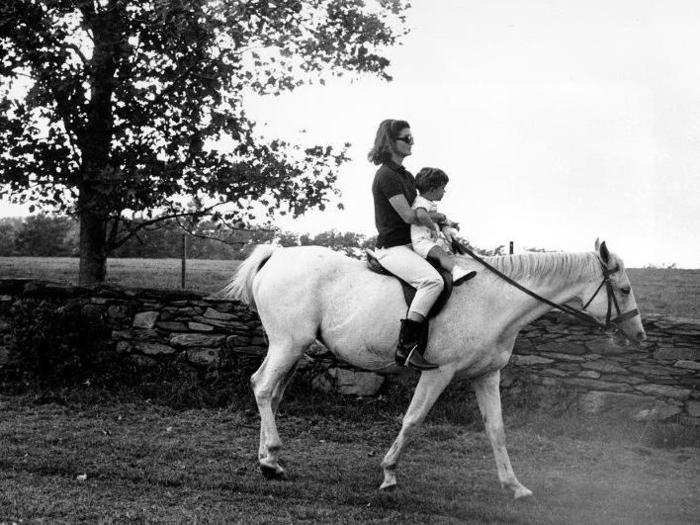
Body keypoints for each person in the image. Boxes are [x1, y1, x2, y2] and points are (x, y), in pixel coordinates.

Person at [368, 119, 444, 371]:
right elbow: (410, 216)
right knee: (433, 281)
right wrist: (439, 218)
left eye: (412, 138)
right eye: (407, 138)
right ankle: (407, 347)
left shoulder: (406, 176)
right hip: (393, 248)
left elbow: (421, 210)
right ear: (390, 142)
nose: (412, 142)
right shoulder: (386, 176)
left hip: (413, 244)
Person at [411, 167, 476, 285]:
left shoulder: (429, 203)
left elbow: (437, 218)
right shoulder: (421, 202)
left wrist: (450, 223)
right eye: (442, 188)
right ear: (432, 189)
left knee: (445, 252)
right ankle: (456, 272)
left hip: (428, 241)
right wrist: (431, 227)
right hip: (422, 242)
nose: (444, 192)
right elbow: (421, 215)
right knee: (441, 254)